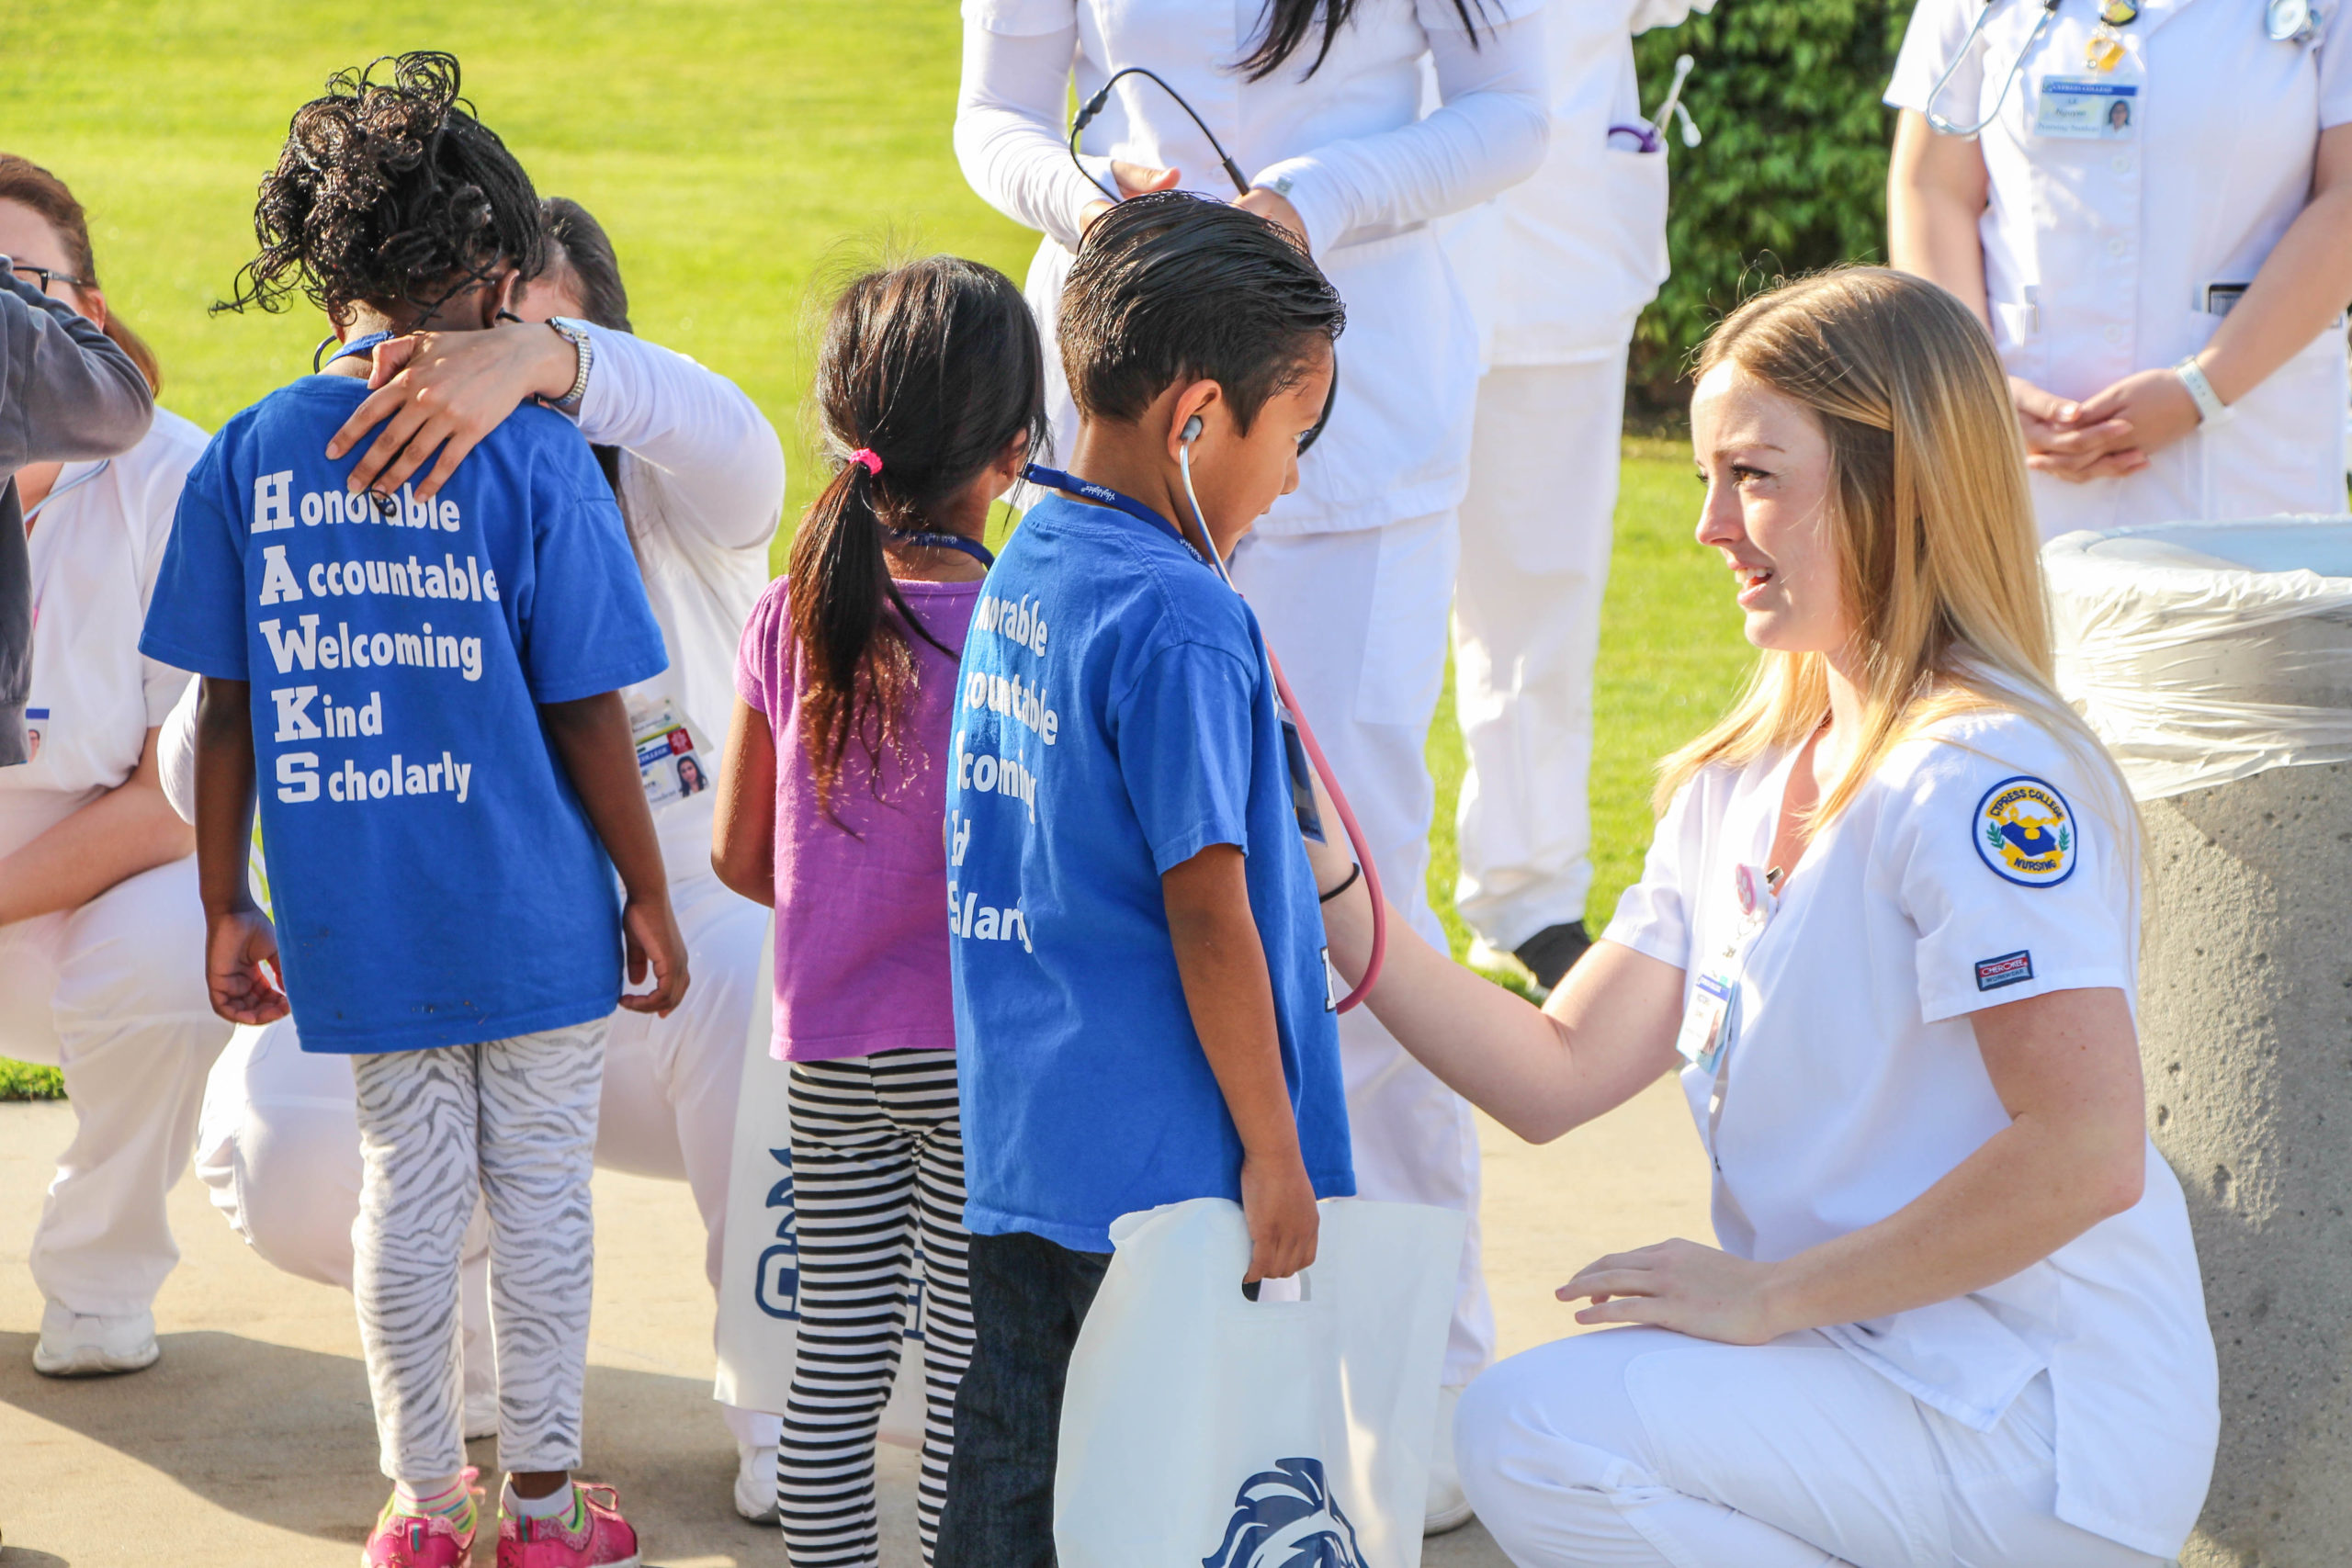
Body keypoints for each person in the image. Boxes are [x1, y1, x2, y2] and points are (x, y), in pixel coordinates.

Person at [1306, 267, 2218, 1567]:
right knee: (1537, 1427)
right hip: (1871, 1369)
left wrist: (1768, 1294)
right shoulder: (1738, 779)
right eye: (1705, 479)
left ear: (1896, 483)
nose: (1710, 528)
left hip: (2038, 1416)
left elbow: (2084, 1148)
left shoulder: (1979, 779)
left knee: (1537, 1427)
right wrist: (1335, 884)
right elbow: (1554, 1070)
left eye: (1756, 477)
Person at [954, 3, 1550, 1517]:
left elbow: (1513, 112)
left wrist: (1317, 201)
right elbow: (997, 116)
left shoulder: (1193, 515)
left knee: (1364, 920)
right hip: (1144, 377)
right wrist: (1097, 210)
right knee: (1167, 869)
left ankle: (1412, 1396)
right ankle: (1257, 1390)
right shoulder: (1146, 596)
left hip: (1328, 420)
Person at [161, 192, 787, 1510]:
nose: (485, 386)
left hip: (657, 981)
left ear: (599, 357)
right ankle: (478, 1456)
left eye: (536, 358)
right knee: (345, 1164)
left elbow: (728, 434)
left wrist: (537, 363)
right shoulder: (324, 465)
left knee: (737, 987)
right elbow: (217, 718)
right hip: (494, 936)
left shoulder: (677, 490)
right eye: (480, 345)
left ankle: (767, 1411)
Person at [937, 193, 1354, 1567]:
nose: (1292, 478)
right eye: (1293, 435)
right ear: (1196, 419)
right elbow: (1208, 908)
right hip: (1174, 1172)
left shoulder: (1030, 558)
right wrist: (1277, 1149)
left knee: (1011, 1470)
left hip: (1026, 1143)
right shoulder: (1184, 615)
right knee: (1169, 1497)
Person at [713, 255, 1043, 1568]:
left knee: (836, 1361)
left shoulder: (791, 610)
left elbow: (745, 853)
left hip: (832, 1047)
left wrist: (844, 893)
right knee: (973, 1360)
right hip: (982, 1057)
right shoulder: (1028, 617)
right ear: (1015, 449)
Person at [0, 156, 230, 1381]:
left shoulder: (178, 479)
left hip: (89, 890)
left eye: (20, 281)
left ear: (85, 317)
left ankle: (97, 1271)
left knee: (175, 948)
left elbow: (171, 800)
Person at [1438, 0, 1698, 993]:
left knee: (1542, 594)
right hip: (1371, 254)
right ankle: (1332, 887)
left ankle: (1529, 893)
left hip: (1561, 248)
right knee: (1352, 597)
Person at [1886, 0, 2352, 538]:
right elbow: (1932, 187)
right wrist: (1972, 385)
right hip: (2015, 439)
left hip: (2245, 445)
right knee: (2014, 615)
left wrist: (2204, 388)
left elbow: (2345, 198)